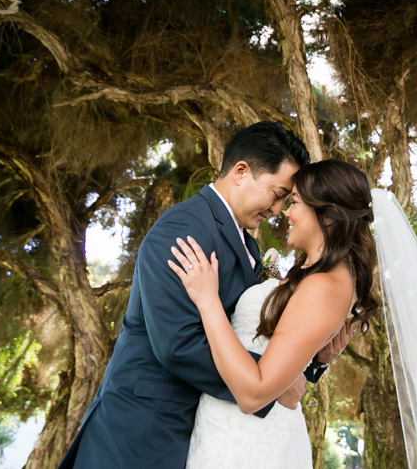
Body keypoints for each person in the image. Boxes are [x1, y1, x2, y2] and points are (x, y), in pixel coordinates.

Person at [58, 121, 347, 469]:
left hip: (198, 432)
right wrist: (267, 388)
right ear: (241, 172)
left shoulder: (250, 248)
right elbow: (177, 344)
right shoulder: (184, 229)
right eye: (277, 194)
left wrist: (310, 364)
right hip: (141, 430)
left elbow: (254, 337)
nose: (276, 210)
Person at [168, 159, 379, 467]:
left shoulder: (327, 285)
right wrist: (314, 366)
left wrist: (207, 299)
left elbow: (254, 394)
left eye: (295, 203)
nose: (285, 213)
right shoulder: (315, 276)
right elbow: (280, 355)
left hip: (251, 445)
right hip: (230, 433)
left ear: (329, 217)